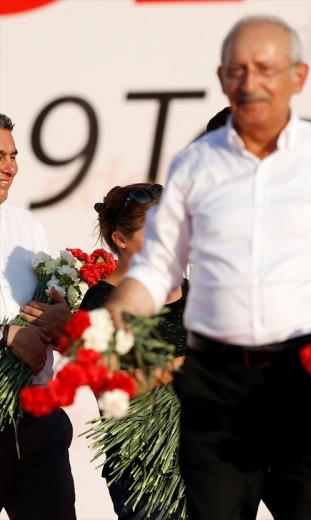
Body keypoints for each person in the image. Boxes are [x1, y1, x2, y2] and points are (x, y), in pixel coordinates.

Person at [104, 15, 311, 520]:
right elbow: (154, 271)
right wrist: (113, 316)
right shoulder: (193, 166)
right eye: (237, 70)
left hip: (308, 388)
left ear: (298, 76)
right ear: (222, 78)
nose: (250, 82)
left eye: (266, 68)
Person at [80, 182, 187, 520]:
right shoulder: (100, 303)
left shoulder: (196, 291)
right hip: (145, 472)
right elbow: (111, 390)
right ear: (121, 240)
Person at [0, 113, 76, 519]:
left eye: (13, 155)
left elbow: (52, 301)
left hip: (36, 419)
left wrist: (59, 318)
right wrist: (7, 337)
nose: (8, 167)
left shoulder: (27, 225)